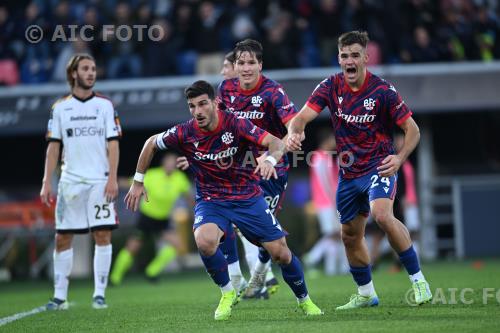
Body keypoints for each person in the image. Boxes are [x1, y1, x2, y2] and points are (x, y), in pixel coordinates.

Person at [125, 80, 322, 321]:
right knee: (204, 241)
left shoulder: (236, 124)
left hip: (246, 197)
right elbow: (150, 143)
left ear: (215, 103)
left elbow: (276, 142)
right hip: (211, 200)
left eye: (202, 104)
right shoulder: (184, 132)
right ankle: (228, 292)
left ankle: (305, 301)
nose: (197, 111)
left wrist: (270, 161)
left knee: (280, 253)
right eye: (192, 106)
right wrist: (137, 181)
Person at [287, 31, 432, 309]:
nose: (349, 60)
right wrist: (295, 132)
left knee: (382, 215)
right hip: (349, 175)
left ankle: (419, 280)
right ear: (339, 59)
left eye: (355, 55)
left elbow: (412, 130)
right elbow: (301, 117)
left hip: (380, 167)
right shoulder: (330, 86)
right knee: (349, 235)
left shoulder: (383, 91)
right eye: (344, 56)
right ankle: (366, 293)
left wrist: (400, 159)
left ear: (366, 58)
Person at [217, 39, 300, 299]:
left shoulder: (273, 92)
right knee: (225, 221)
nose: (245, 67)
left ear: (260, 65)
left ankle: (261, 275)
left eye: (251, 62)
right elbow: (217, 126)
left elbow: (293, 128)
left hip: (271, 170)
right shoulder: (226, 88)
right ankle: (237, 279)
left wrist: (274, 156)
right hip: (238, 168)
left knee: (267, 234)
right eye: (241, 62)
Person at [40, 53, 121, 310]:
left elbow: (114, 144)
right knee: (62, 238)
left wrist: (112, 178)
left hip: (100, 181)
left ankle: (99, 294)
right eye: (85, 69)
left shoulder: (106, 106)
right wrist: (46, 181)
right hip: (70, 182)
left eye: (94, 69)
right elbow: (53, 148)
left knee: (102, 234)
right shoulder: (60, 107)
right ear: (74, 73)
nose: (91, 73)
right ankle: (59, 296)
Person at [110, 152, 191, 285]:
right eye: (168, 162)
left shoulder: (180, 178)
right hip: (146, 218)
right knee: (132, 247)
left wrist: (196, 210)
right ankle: (115, 278)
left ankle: (151, 272)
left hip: (163, 220)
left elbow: (188, 196)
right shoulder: (152, 175)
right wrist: (113, 183)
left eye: (173, 163)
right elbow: (131, 182)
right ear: (163, 163)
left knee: (178, 245)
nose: (171, 165)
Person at [304, 130, 348, 276]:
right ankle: (314, 258)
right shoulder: (318, 157)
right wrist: (333, 201)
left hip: (330, 201)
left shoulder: (328, 158)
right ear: (327, 140)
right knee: (333, 234)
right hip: (325, 202)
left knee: (337, 234)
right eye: (333, 140)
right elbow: (325, 182)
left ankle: (336, 268)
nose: (336, 143)